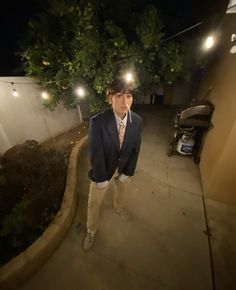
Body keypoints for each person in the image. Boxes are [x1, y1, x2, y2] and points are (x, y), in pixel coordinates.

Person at [83, 78, 143, 250]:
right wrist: (101, 177)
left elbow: (136, 149)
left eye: (129, 96)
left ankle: (119, 207)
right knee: (93, 202)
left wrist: (128, 171)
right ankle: (91, 229)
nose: (125, 102)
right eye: (119, 95)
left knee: (122, 192)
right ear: (109, 97)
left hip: (124, 168)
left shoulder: (137, 121)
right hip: (104, 170)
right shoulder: (98, 122)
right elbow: (95, 152)